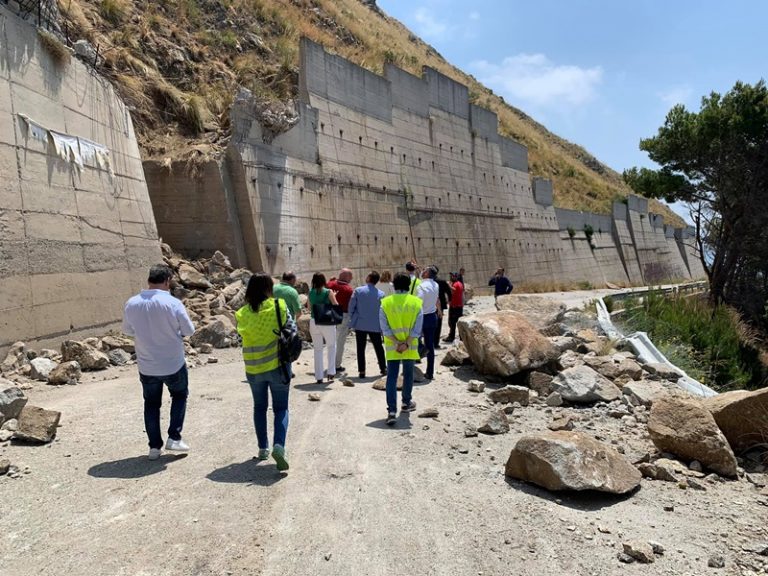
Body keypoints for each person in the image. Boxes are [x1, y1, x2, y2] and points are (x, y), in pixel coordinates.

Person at [122, 264, 195, 460]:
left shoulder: (132, 303)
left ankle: (154, 447)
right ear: (167, 281)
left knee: (151, 404)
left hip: (147, 364)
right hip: (173, 363)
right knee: (179, 396)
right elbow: (189, 330)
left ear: (149, 280)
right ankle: (174, 437)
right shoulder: (173, 303)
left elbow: (128, 331)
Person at [235, 272, 295, 471]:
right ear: (269, 288)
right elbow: (291, 330)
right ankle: (279, 445)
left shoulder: (241, 313)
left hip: (253, 368)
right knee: (281, 408)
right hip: (277, 366)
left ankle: (263, 448)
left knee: (259, 407)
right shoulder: (279, 306)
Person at [380, 272, 424, 426]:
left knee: (391, 377)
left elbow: (384, 329)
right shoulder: (416, 302)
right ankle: (406, 403)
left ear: (394, 284)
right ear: (408, 285)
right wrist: (406, 343)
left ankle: (391, 411)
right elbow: (417, 329)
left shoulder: (385, 303)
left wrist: (397, 343)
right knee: (408, 374)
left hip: (393, 348)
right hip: (410, 347)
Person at [349, 271, 387, 378]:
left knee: (360, 348)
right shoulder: (381, 294)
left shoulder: (358, 290)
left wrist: (352, 319)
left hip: (360, 324)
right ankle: (383, 368)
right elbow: (382, 311)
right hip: (375, 324)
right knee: (378, 347)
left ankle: (362, 371)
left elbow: (351, 306)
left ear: (369, 278)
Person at [308, 272, 339, 383]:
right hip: (327, 322)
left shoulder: (310, 292)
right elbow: (336, 305)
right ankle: (331, 373)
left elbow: (309, 307)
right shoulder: (328, 292)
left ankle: (319, 376)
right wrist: (334, 296)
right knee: (331, 346)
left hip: (314, 321)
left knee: (317, 350)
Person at [416, 266, 441, 380]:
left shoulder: (421, 286)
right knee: (430, 345)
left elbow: (418, 303)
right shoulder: (436, 285)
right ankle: (430, 372)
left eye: (424, 271)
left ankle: (420, 351)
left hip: (422, 317)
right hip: (432, 316)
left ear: (427, 274)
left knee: (414, 338)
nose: (422, 272)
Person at [327, 268, 354, 373]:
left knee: (331, 341)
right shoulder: (349, 289)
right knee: (340, 341)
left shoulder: (330, 284)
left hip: (328, 314)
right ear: (346, 277)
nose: (351, 278)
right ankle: (337, 365)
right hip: (343, 315)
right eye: (350, 276)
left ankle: (330, 364)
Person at [444, 271, 464, 343]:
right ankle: (459, 337)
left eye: (452, 276)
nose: (451, 277)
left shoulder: (456, 284)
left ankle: (452, 337)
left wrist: (448, 285)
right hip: (456, 306)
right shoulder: (458, 283)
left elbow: (453, 290)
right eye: (451, 276)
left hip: (455, 307)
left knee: (453, 323)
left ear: (456, 277)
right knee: (454, 323)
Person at [435, 271, 451, 349]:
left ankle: (430, 343)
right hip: (440, 305)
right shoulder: (442, 281)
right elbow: (448, 292)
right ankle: (436, 342)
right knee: (438, 324)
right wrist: (450, 301)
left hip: (429, 306)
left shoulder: (425, 282)